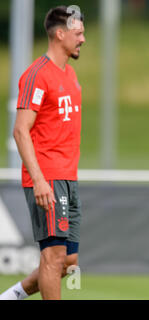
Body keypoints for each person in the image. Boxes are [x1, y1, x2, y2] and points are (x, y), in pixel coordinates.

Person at [0, 6, 85, 300]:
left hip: (68, 177)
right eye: (78, 33)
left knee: (68, 262)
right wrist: (38, 180)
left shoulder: (70, 74)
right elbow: (20, 130)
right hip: (48, 177)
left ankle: (9, 297)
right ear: (60, 34)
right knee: (53, 256)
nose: (83, 39)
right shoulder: (37, 75)